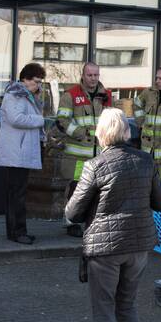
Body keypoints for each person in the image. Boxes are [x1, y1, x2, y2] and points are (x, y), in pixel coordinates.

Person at [66, 108, 161, 322]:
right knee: (127, 306)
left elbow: (73, 213)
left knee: (103, 311)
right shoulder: (146, 161)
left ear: (101, 134)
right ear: (127, 132)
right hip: (138, 247)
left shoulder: (95, 166)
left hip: (105, 250)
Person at [54, 62, 113, 237]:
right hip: (78, 155)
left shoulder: (107, 95)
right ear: (83, 75)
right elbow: (62, 120)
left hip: (100, 154)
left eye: (96, 75)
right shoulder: (71, 94)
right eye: (90, 75)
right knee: (76, 190)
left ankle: (93, 223)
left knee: (98, 191)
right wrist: (82, 134)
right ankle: (71, 223)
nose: (93, 79)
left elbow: (112, 119)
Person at [0, 63, 47, 245]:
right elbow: (16, 119)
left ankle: (17, 231)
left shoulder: (25, 95)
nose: (38, 85)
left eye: (40, 82)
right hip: (16, 152)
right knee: (16, 195)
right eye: (36, 82)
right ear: (25, 79)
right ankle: (18, 232)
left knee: (17, 193)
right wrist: (40, 120)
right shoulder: (14, 95)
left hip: (19, 151)